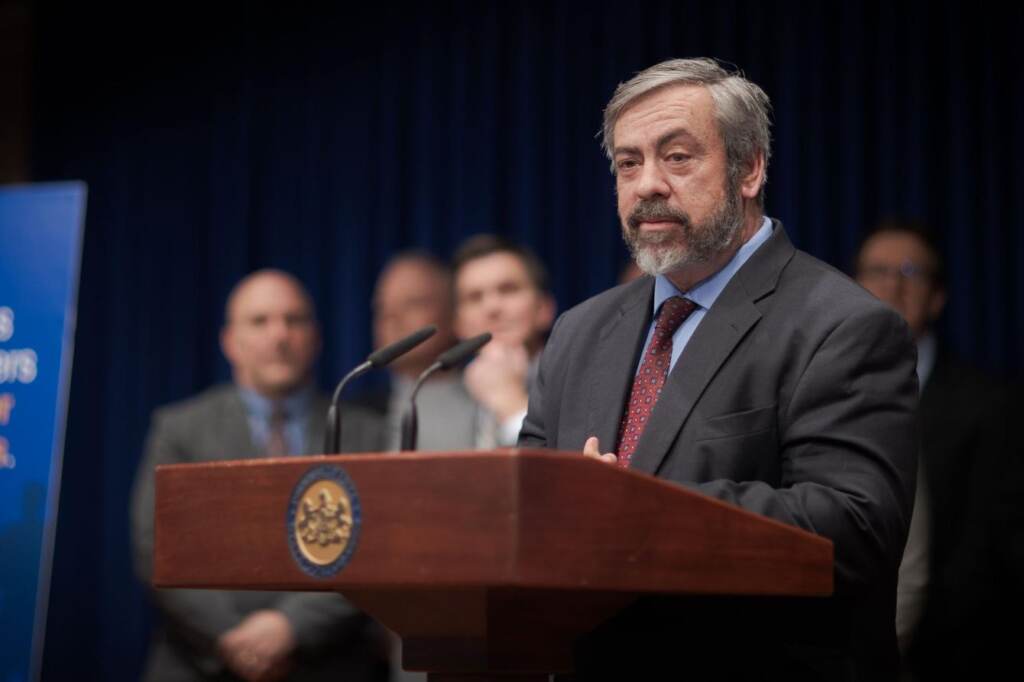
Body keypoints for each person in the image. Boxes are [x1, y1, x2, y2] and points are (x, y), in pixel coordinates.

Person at [519, 58, 918, 680]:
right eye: (628, 163)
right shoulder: (577, 332)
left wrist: (639, 509)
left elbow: (855, 531)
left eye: (677, 157)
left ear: (750, 168)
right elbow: (531, 507)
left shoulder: (842, 325)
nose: (648, 183)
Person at [131, 269, 387, 682]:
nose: (279, 335)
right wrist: (232, 637)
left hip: (328, 664)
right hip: (201, 664)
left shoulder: (368, 432)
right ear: (230, 341)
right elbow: (154, 548)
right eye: (260, 321)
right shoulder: (179, 429)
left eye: (294, 320)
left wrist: (290, 628)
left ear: (316, 337)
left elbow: (379, 551)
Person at [855, 222, 1018, 679]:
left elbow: (992, 548)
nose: (893, 285)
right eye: (878, 271)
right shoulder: (827, 395)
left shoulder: (991, 404)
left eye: (911, 271)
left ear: (938, 296)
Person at [362, 253, 478, 451]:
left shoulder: (486, 404)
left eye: (413, 303)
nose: (392, 317)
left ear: (453, 314)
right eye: (382, 307)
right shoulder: (354, 414)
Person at [451, 235, 556, 447]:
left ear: (543, 308)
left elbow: (567, 474)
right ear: (458, 323)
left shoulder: (575, 383)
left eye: (508, 289)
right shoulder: (437, 403)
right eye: (474, 297)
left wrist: (510, 403)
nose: (492, 307)